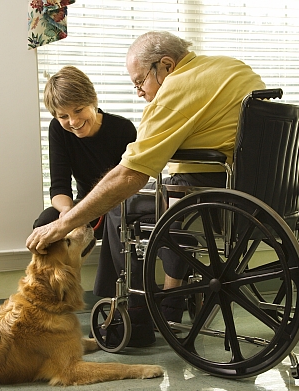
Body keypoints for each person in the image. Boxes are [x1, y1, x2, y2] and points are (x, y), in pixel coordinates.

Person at [27, 31, 265, 346]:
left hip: (206, 196)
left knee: (118, 209)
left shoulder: (175, 92)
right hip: (253, 196)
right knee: (140, 205)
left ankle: (135, 314)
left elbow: (127, 178)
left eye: (140, 82)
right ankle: (164, 303)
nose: (139, 92)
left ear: (165, 66)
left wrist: (65, 224)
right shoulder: (233, 68)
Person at [33, 66, 137, 294]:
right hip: (82, 209)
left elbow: (129, 183)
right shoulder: (58, 130)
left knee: (115, 222)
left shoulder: (122, 129)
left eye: (78, 110)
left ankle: (113, 298)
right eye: (63, 116)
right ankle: (53, 298)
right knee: (44, 224)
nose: (73, 121)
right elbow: (59, 187)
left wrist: (75, 219)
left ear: (93, 101)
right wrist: (68, 215)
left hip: (118, 207)